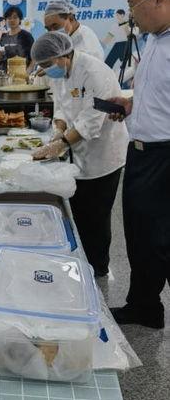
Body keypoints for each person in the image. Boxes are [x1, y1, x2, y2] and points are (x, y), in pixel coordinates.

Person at [31, 32, 128, 278]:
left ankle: (98, 268)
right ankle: (81, 262)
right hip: (78, 153)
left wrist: (61, 144)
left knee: (97, 216)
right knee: (80, 212)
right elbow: (61, 107)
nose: (46, 70)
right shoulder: (60, 71)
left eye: (47, 64)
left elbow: (91, 122)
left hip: (103, 156)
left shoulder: (94, 72)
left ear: (63, 54)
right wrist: (59, 130)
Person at [107, 0, 170, 329]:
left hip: (164, 157)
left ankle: (146, 305)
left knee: (160, 239)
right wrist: (131, 105)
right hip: (142, 152)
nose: (131, 14)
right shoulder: (154, 41)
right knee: (140, 234)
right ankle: (144, 306)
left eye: (133, 5)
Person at [0, 5, 34, 73]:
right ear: (6, 20)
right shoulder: (3, 36)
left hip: (21, 74)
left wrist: (28, 72)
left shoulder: (26, 36)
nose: (12, 20)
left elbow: (34, 57)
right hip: (5, 74)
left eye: (15, 17)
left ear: (20, 19)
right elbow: (0, 58)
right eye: (9, 18)